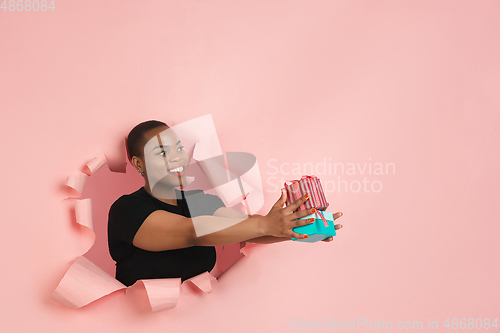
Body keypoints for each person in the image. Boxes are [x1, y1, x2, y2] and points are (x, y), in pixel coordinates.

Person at [107, 120, 343, 287]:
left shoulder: (201, 201)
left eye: (178, 149)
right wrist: (267, 225)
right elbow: (192, 232)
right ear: (139, 164)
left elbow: (245, 227)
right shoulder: (127, 210)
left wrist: (301, 226)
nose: (176, 157)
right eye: (162, 152)